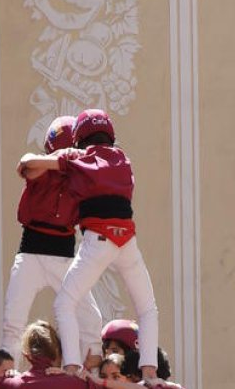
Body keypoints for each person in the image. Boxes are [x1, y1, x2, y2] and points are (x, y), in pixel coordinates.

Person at [17, 110, 159, 382]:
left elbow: (32, 163)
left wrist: (35, 162)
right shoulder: (124, 158)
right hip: (127, 241)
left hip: (99, 240)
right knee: (147, 308)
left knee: (65, 303)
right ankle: (150, 372)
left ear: (79, 138)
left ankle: (71, 367)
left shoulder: (79, 157)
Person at [2, 116, 102, 366]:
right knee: (13, 321)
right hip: (31, 252)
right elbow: (25, 164)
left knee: (90, 318)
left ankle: (85, 373)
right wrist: (62, 160)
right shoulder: (42, 169)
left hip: (64, 255)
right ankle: (5, 376)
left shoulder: (82, 177)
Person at [0, 321, 146, 388]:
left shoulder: (11, 383)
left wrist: (7, 380)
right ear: (59, 352)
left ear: (27, 355)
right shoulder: (78, 383)